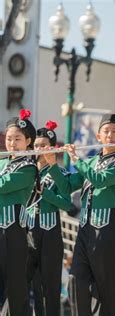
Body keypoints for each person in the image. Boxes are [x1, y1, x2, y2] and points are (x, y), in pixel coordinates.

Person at [44, 112, 115, 315]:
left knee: (106, 286)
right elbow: (66, 187)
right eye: (106, 131)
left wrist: (76, 159)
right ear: (98, 137)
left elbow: (99, 180)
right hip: (85, 230)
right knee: (76, 280)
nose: (110, 135)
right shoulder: (90, 163)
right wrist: (52, 163)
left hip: (107, 229)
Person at [26, 121, 72, 316]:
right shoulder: (26, 169)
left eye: (43, 145)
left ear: (52, 148)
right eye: (36, 145)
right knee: (29, 284)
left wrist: (46, 194)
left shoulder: (60, 172)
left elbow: (67, 204)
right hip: (27, 229)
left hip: (50, 230)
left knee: (49, 287)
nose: (39, 149)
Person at [0, 109, 37, 316]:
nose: (12, 143)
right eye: (9, 138)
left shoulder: (28, 166)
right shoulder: (2, 163)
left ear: (28, 141)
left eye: (17, 139)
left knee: (13, 286)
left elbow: (3, 185)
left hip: (13, 230)